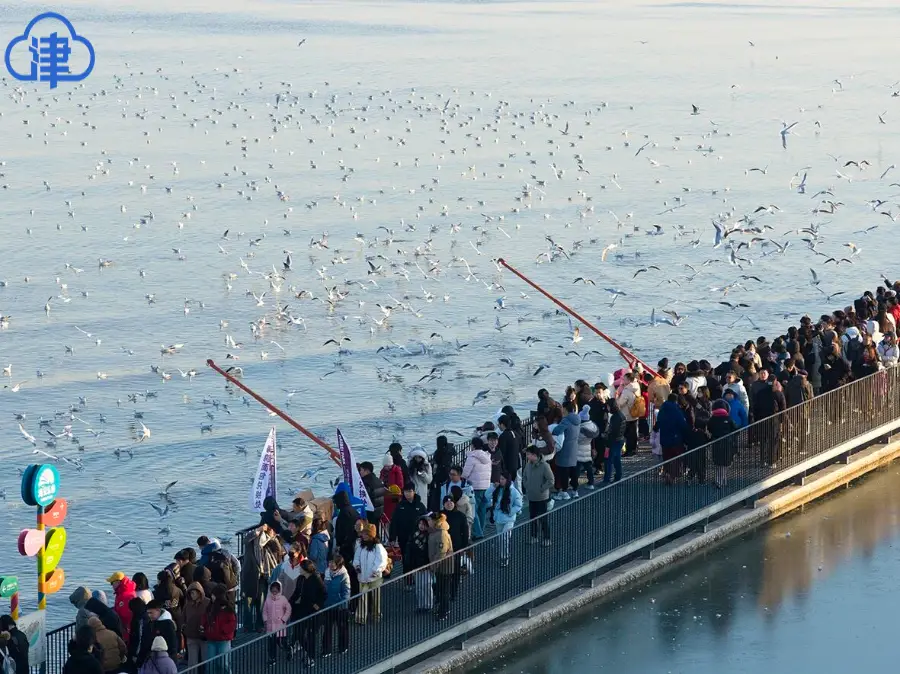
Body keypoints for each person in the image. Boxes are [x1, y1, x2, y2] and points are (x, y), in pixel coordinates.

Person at [241, 522, 284, 633]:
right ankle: (247, 625)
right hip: (250, 575)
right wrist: (260, 529)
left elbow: (278, 550)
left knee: (261, 602)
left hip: (263, 576)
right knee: (248, 602)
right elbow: (246, 539)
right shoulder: (252, 541)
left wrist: (272, 537)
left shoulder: (272, 541)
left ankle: (259, 625)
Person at [290, 560, 325, 666]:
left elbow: (323, 593)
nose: (299, 569)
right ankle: (306, 650)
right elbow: (297, 592)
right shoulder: (301, 578)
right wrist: (288, 602)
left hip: (313, 612)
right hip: (302, 609)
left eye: (301, 567)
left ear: (306, 569)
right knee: (299, 633)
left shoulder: (316, 578)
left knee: (311, 635)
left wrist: (318, 604)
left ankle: (311, 657)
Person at [352, 524, 388, 624]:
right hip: (363, 577)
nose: (363, 536)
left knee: (376, 598)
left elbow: (381, 560)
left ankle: (376, 616)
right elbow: (356, 558)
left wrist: (375, 571)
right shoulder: (361, 546)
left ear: (371, 535)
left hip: (374, 578)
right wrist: (357, 566)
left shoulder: (378, 547)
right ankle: (360, 618)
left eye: (366, 534)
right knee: (362, 598)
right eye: (363, 534)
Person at [485, 472, 523, 567]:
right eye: (500, 479)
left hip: (509, 519)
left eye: (503, 479)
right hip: (498, 518)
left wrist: (510, 511)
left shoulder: (513, 491)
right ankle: (504, 555)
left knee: (504, 538)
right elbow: (487, 495)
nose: (500, 481)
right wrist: (492, 487)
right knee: (501, 538)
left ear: (507, 480)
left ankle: (504, 557)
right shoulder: (498, 489)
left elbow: (519, 505)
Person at [390, 483, 427, 580]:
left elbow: (426, 520)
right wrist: (392, 537)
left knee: (417, 558)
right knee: (406, 559)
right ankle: (408, 580)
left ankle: (418, 578)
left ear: (414, 492)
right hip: (403, 537)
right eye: (405, 491)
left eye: (410, 491)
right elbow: (394, 522)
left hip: (418, 537)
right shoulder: (400, 506)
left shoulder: (420, 506)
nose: (407, 494)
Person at [522, 445, 553, 545]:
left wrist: (541, 488)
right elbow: (524, 476)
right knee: (532, 518)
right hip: (531, 497)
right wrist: (526, 485)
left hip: (541, 498)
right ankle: (534, 536)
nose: (527, 456)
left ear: (535, 455)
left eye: (528, 454)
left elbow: (551, 480)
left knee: (543, 519)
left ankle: (547, 538)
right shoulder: (528, 465)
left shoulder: (545, 466)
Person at [202, 585, 237, 674]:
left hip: (223, 640)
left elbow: (232, 623)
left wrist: (223, 630)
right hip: (211, 639)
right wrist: (205, 627)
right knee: (210, 664)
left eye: (213, 595)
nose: (211, 596)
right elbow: (205, 618)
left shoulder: (227, 608)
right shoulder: (210, 607)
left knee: (223, 664)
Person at [461, 436, 492, 539]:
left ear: (473, 446)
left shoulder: (472, 457)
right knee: (482, 510)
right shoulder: (487, 456)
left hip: (475, 487)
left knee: (473, 510)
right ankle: (481, 530)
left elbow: (465, 473)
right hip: (486, 486)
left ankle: (478, 533)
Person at [321, 555, 351, 657]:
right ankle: (326, 649)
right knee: (327, 628)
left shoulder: (344, 575)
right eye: (330, 562)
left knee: (342, 628)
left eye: (333, 563)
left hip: (340, 607)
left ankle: (343, 647)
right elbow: (324, 589)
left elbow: (346, 593)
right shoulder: (327, 572)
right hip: (328, 605)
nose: (330, 564)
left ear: (339, 565)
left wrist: (342, 605)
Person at [551, 399, 580, 500]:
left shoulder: (566, 420)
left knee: (563, 471)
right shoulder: (577, 419)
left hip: (565, 449)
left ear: (565, 409)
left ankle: (564, 492)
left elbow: (556, 431)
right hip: (574, 448)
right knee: (573, 470)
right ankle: (575, 491)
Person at [428, 512, 454, 621]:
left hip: (444, 567)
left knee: (444, 591)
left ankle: (444, 611)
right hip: (439, 566)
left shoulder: (441, 534)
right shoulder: (436, 531)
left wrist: (433, 566)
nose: (428, 522)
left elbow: (441, 553)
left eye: (430, 520)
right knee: (441, 589)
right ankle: (442, 609)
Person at [709, 400, 738, 488]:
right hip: (727, 443)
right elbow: (735, 430)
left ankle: (718, 481)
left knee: (718, 463)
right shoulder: (728, 418)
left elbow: (710, 429)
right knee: (725, 463)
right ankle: (723, 480)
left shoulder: (712, 419)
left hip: (716, 442)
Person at [262, 581, 292, 665]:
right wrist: (265, 620)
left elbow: (288, 609)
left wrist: (284, 619)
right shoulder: (268, 600)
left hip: (280, 625)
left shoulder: (283, 599)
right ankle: (272, 658)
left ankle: (288, 649)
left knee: (281, 642)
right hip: (270, 626)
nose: (274, 593)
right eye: (272, 591)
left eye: (276, 591)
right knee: (271, 643)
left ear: (279, 591)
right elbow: (264, 611)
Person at [407, 517, 433, 611]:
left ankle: (428, 604)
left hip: (426, 564)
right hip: (416, 564)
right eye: (420, 524)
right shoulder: (414, 535)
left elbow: (429, 552)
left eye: (424, 524)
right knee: (418, 586)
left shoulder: (429, 536)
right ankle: (421, 605)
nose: (421, 526)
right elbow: (410, 550)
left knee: (426, 585)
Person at [183, 582, 209, 670]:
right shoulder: (188, 605)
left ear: (199, 592)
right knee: (192, 663)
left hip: (204, 637)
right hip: (191, 636)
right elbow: (183, 618)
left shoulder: (208, 603)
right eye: (190, 593)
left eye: (193, 593)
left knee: (206, 661)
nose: (192, 595)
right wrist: (184, 628)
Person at [107, 572, 137, 645]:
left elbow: (124, 616)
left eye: (112, 583)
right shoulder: (123, 592)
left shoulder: (125, 596)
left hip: (125, 632)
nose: (111, 585)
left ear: (118, 582)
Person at [332, 489, 361, 563]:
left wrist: (339, 544)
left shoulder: (343, 513)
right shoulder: (353, 510)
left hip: (346, 544)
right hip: (353, 540)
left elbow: (341, 530)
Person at [575, 405, 599, 491]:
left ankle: (574, 484)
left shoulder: (580, 428)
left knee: (577, 468)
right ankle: (591, 483)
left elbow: (576, 438)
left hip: (579, 449)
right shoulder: (592, 426)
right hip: (588, 447)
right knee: (589, 467)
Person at [604, 398, 626, 483]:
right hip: (620, 440)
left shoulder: (615, 417)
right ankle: (618, 476)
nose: (607, 408)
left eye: (608, 406)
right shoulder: (621, 415)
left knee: (608, 460)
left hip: (614, 441)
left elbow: (613, 432)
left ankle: (607, 479)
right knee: (617, 460)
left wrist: (607, 443)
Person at [430, 435, 454, 512]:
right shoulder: (450, 449)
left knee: (438, 493)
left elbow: (435, 465)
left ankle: (438, 508)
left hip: (440, 474)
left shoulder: (438, 452)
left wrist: (433, 473)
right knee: (447, 491)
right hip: (448, 473)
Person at [358, 461, 386, 526]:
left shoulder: (365, 482)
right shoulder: (378, 480)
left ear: (367, 471)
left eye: (361, 470)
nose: (360, 472)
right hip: (379, 511)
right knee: (376, 528)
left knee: (369, 530)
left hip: (370, 512)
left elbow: (366, 497)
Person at [380, 453, 405, 520]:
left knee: (393, 513)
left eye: (389, 466)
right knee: (386, 512)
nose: (387, 468)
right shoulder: (382, 471)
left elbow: (400, 484)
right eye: (385, 466)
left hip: (394, 495)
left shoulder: (397, 471)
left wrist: (396, 492)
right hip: (385, 494)